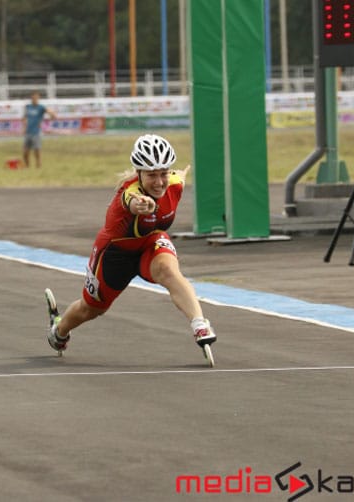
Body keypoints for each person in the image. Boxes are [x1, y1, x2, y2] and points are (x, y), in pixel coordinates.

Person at [44, 134, 216, 357]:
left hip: (149, 244)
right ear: (139, 173)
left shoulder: (174, 184)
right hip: (116, 253)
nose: (159, 182)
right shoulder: (128, 195)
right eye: (151, 175)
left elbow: (178, 176)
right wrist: (142, 205)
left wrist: (179, 174)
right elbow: (131, 200)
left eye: (163, 173)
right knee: (91, 309)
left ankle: (199, 324)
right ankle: (59, 331)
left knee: (168, 270)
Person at [22, 91, 56, 168]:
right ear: (31, 98)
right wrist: (24, 127)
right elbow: (24, 117)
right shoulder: (28, 107)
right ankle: (27, 166)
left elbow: (51, 114)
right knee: (25, 152)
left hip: (36, 132)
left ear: (38, 98)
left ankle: (38, 165)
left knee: (36, 150)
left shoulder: (41, 107)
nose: (35, 99)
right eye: (33, 97)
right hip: (28, 132)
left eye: (36, 98)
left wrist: (52, 115)